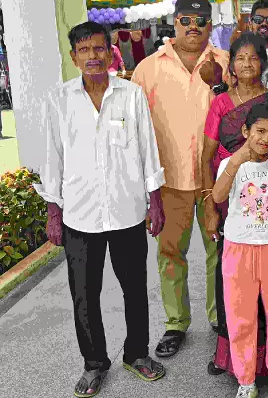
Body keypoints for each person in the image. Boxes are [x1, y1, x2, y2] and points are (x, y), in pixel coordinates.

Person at [35, 22, 167, 397]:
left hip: (127, 212)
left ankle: (137, 354)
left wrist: (153, 201)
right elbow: (52, 159)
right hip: (80, 214)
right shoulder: (58, 101)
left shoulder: (131, 95)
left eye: (99, 49)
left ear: (110, 53)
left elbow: (147, 150)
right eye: (84, 50)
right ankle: (94, 364)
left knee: (135, 289)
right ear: (74, 56)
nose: (92, 56)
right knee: (84, 294)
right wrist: (53, 212)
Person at [131, 0, 229, 358]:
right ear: (175, 23)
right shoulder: (148, 68)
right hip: (168, 179)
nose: (193, 27)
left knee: (218, 251)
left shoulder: (226, 63)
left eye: (201, 21)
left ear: (210, 25)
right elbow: (137, 130)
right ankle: (175, 323)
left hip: (215, 181)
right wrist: (145, 189)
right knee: (171, 252)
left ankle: (220, 318)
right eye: (186, 20)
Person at [201, 32, 268, 378]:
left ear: (263, 63)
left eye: (253, 58)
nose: (246, 64)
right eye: (239, 58)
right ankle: (237, 362)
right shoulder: (222, 103)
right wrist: (209, 205)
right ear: (231, 64)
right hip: (231, 202)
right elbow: (207, 156)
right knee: (236, 290)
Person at [212, 103, 268, 398]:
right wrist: (236, 162)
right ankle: (246, 381)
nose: (266, 139)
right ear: (246, 131)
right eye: (260, 131)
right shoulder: (230, 163)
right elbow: (219, 196)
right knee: (241, 318)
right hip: (238, 248)